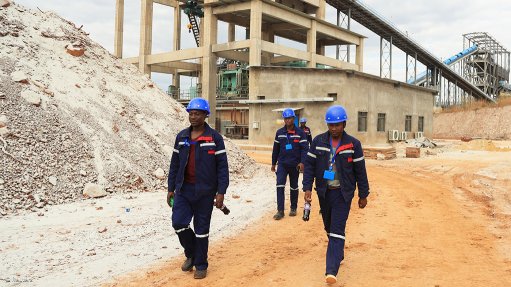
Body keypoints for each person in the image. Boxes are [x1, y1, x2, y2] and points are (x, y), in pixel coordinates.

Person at [302, 105, 369, 285]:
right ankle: (338, 251)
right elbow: (308, 166)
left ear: (344, 124)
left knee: (337, 229)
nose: (334, 129)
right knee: (329, 227)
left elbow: (360, 171)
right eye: (331, 125)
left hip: (343, 194)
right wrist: (307, 187)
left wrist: (363, 194)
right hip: (324, 193)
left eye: (337, 125)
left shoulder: (353, 144)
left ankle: (331, 270)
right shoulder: (317, 142)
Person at [167, 98, 229, 280]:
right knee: (178, 223)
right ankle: (192, 253)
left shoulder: (215, 138)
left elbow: (222, 167)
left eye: (197, 113)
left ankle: (201, 264)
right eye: (191, 113)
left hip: (205, 192)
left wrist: (221, 192)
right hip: (183, 190)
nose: (193, 117)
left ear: (205, 115)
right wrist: (171, 188)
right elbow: (174, 165)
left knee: (202, 229)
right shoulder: (182, 137)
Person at [271, 108, 309, 220]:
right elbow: (275, 149)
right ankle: (280, 210)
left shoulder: (300, 133)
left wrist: (302, 162)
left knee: (294, 186)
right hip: (282, 164)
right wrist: (273, 163)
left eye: (290, 118)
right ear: (284, 119)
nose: (288, 120)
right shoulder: (279, 133)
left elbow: (304, 149)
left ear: (294, 118)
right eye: (286, 118)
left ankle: (293, 208)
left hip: (295, 164)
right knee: (280, 185)